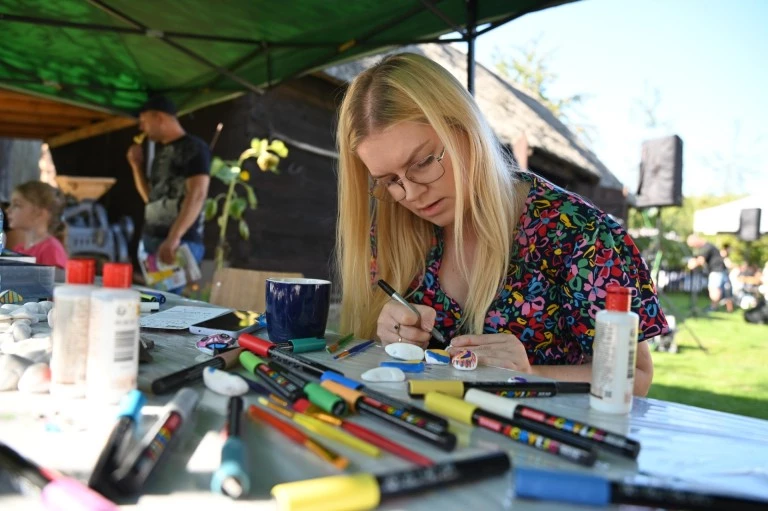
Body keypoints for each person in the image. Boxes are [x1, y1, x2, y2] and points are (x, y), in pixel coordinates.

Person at [335, 53, 667, 396]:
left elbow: (636, 377)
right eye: (389, 180)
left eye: (421, 162)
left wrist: (528, 373)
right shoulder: (393, 229)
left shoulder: (579, 234)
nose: (412, 194)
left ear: (466, 130)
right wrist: (388, 335)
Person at [126, 96, 211, 266]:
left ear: (159, 118)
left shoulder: (194, 147)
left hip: (179, 243)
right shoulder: (161, 153)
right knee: (154, 293)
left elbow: (198, 193)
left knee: (167, 293)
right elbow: (151, 199)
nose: (141, 127)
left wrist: (174, 237)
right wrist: (136, 167)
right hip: (153, 239)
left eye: (144, 121)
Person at [7, 181, 68, 269]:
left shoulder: (50, 250)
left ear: (40, 213)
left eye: (17, 205)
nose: (8, 210)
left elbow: (53, 282)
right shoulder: (18, 249)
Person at [686, 234, 734, 312]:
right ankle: (720, 307)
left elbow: (700, 260)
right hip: (719, 270)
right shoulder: (708, 246)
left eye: (693, 245)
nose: (694, 247)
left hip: (716, 270)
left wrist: (692, 263)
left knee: (714, 289)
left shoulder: (706, 247)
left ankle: (713, 307)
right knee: (722, 290)